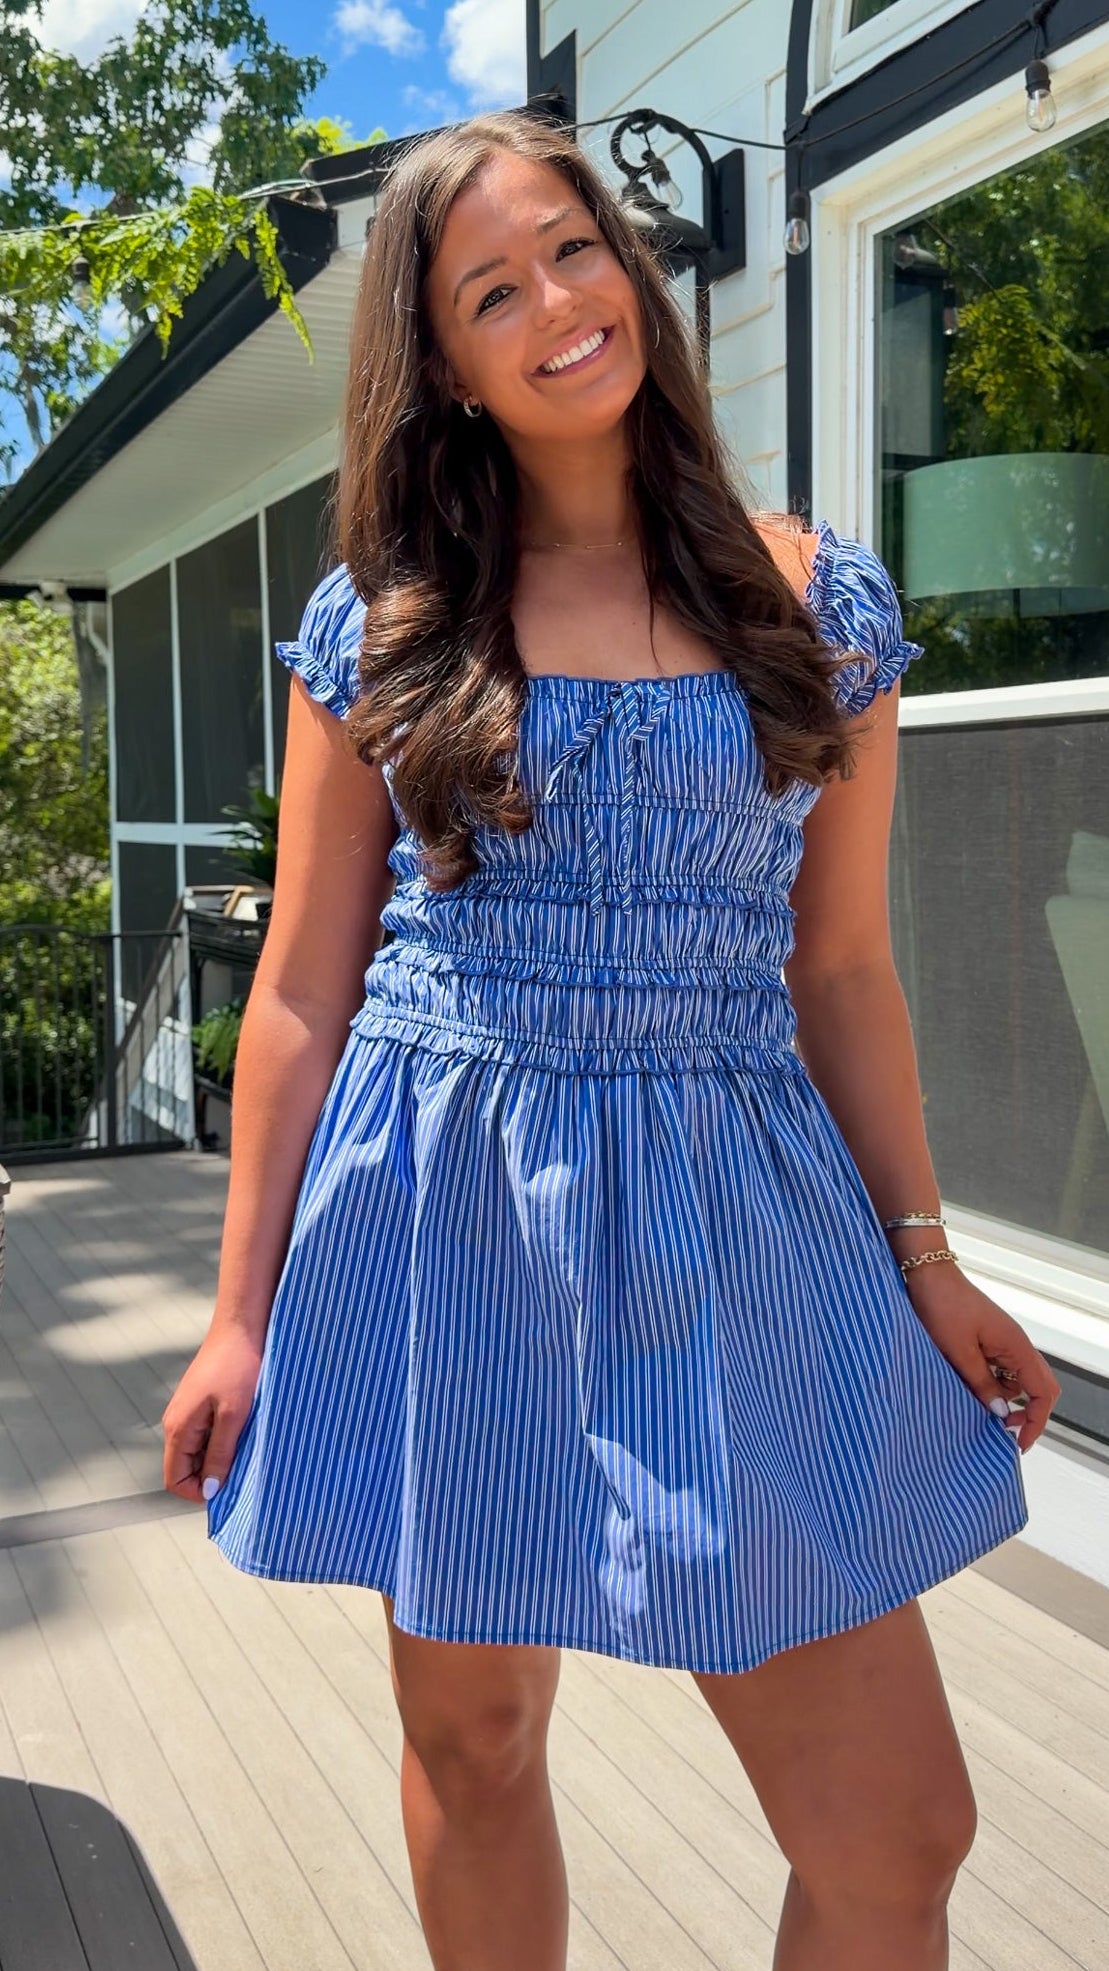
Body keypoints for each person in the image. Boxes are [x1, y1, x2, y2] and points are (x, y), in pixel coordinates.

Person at [163, 107, 1060, 1971]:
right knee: (475, 1739)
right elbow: (308, 987)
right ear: (453, 370)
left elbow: (843, 977)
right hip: (452, 1199)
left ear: (626, 267)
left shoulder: (816, 602)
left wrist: (927, 1255)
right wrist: (241, 1309)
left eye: (573, 249)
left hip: (741, 1204)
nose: (557, 303)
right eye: (494, 290)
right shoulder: (387, 622)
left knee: (897, 1829)